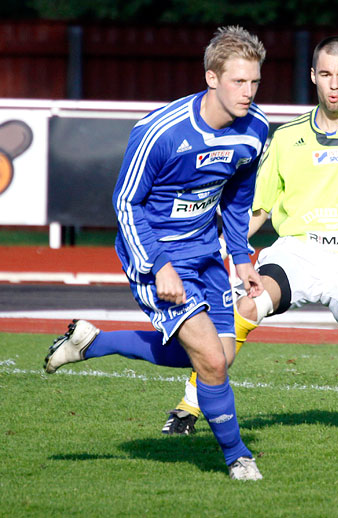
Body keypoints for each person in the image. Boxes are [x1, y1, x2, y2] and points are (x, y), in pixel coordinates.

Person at [164, 36, 338, 445]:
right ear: (313, 76)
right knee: (248, 305)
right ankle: (190, 404)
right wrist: (216, 247)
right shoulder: (286, 138)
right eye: (326, 74)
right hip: (296, 254)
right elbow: (256, 211)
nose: (334, 85)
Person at [43, 26, 268, 481]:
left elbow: (238, 198)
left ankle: (93, 342)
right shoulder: (161, 131)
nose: (248, 92)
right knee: (208, 357)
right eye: (238, 82)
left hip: (206, 253)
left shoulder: (256, 131)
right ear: (211, 78)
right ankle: (237, 457)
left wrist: (241, 256)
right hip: (156, 253)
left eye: (255, 82)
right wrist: (159, 265)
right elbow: (126, 203)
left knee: (214, 359)